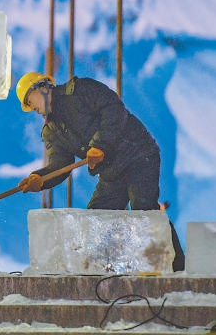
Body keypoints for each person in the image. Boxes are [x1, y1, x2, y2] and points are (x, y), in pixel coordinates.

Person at [15, 72, 185, 272]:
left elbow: (114, 110)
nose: (31, 108)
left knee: (144, 210)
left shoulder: (81, 90)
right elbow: (60, 164)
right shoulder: (52, 130)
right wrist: (40, 179)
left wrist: (100, 145)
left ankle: (177, 270)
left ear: (41, 87)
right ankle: (102, 276)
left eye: (29, 100)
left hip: (138, 154)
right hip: (112, 173)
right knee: (97, 219)